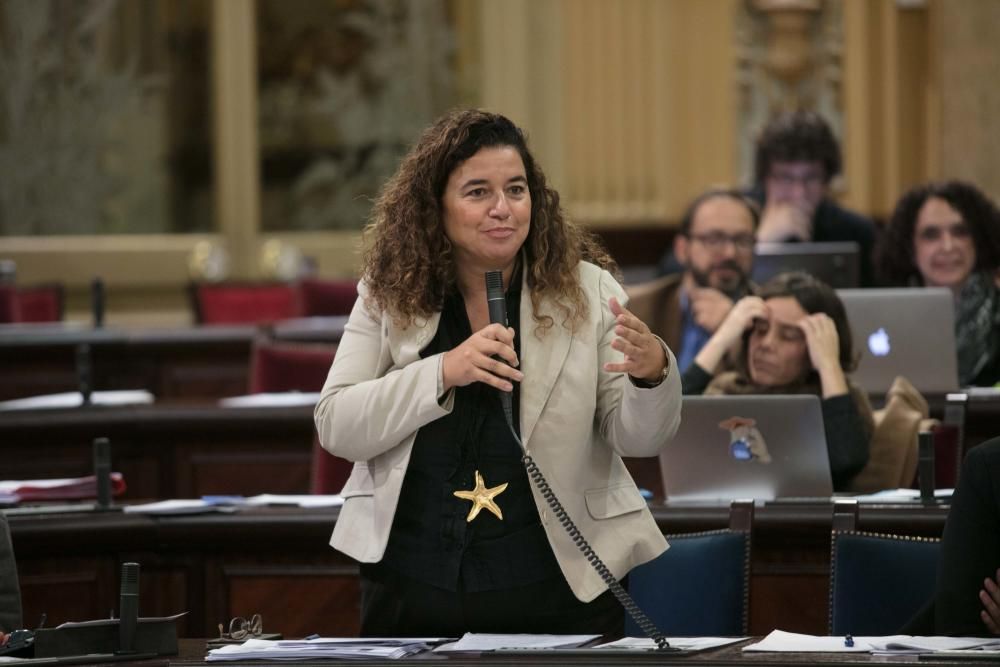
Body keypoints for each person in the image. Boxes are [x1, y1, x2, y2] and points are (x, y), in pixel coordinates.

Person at [314, 109, 682, 637]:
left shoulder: (589, 290)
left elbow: (640, 438)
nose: (502, 209)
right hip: (412, 579)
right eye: (477, 192)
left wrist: (652, 376)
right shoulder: (389, 291)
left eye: (515, 189)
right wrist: (442, 371)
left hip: (555, 583)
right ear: (434, 206)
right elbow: (336, 423)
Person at [682, 271, 872, 490]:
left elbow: (847, 460)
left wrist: (829, 364)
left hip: (803, 521)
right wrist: (723, 336)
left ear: (816, 346)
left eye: (789, 335)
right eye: (760, 330)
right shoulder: (725, 389)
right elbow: (666, 426)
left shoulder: (838, 401)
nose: (766, 343)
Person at [876, 181, 1000, 387]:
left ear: (978, 240)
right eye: (931, 235)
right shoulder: (887, 318)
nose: (948, 246)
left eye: (960, 232)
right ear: (909, 248)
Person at [632, 189, 759, 374]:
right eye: (714, 239)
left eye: (743, 240)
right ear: (682, 249)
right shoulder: (636, 308)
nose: (730, 253)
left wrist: (732, 335)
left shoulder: (768, 318)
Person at [751, 110, 877, 287]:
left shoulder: (856, 232)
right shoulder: (737, 219)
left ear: (827, 180)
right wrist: (761, 243)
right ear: (765, 178)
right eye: (786, 178)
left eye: (811, 178)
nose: (799, 193)